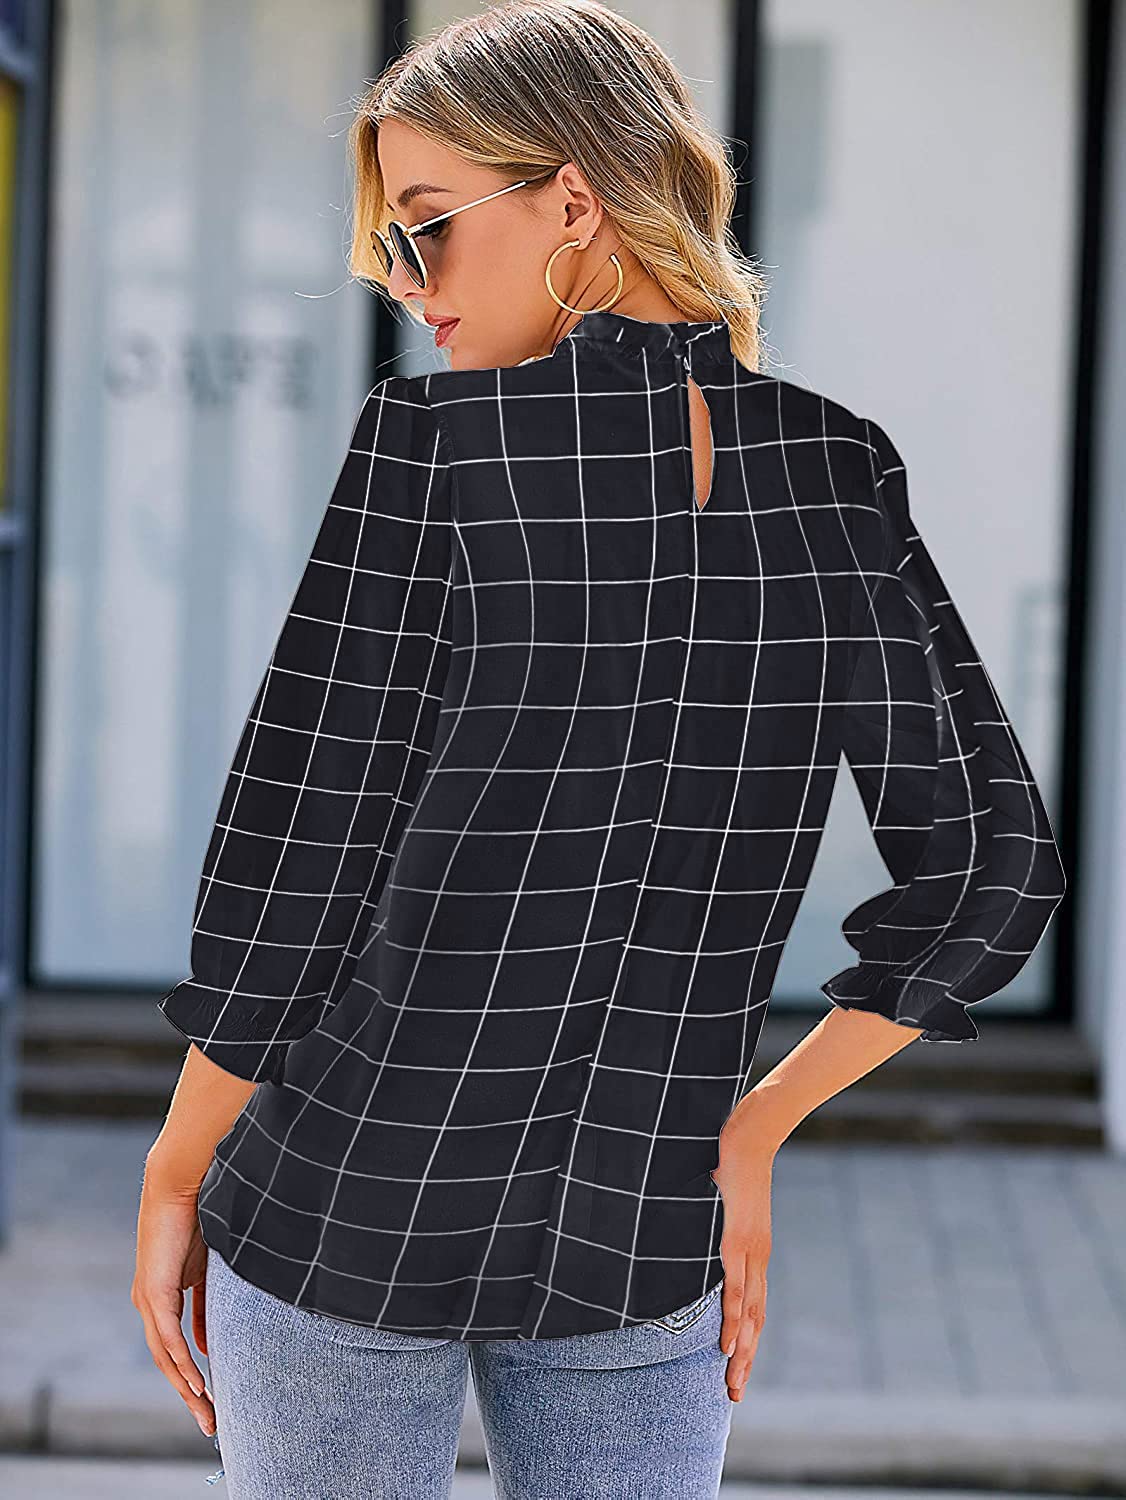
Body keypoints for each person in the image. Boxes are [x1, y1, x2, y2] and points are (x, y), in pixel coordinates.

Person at [132, 3, 1067, 1496]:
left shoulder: (430, 451)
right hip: (640, 1232)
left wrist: (176, 1166)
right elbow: (992, 874)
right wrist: (751, 1133)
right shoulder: (834, 474)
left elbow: (294, 864)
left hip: (342, 1208)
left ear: (571, 200)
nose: (404, 282)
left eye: (426, 226)